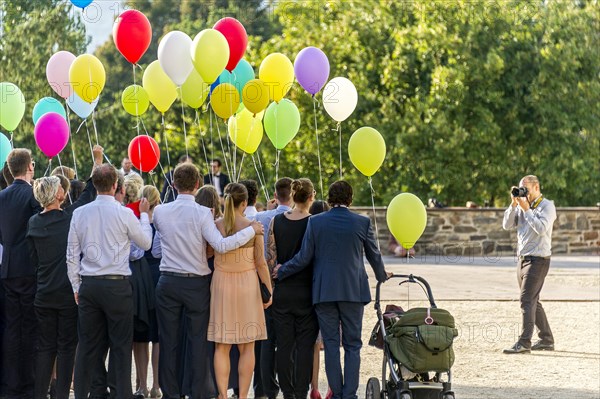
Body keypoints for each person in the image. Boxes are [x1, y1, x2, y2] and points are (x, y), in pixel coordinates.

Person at [151, 163, 264, 399]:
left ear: (173, 184)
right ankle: (199, 393)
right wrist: (251, 231)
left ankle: (171, 393)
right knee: (198, 342)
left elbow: (156, 251)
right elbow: (221, 245)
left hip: (168, 282)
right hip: (196, 284)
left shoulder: (160, 212)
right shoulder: (203, 213)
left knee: (168, 341)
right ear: (197, 184)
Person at [273, 181, 390, 399]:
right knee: (353, 345)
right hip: (353, 292)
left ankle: (336, 394)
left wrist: (282, 270)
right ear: (350, 198)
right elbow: (374, 256)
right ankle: (349, 394)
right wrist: (383, 275)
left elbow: (304, 257)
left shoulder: (316, 222)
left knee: (332, 345)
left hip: (324, 291)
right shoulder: (362, 222)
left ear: (328, 198)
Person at [67, 164, 153, 399]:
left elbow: (72, 254)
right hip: (117, 285)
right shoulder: (124, 213)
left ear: (94, 185)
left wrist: (76, 285)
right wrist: (144, 217)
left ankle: (91, 392)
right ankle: (120, 393)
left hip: (90, 284)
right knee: (120, 345)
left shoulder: (79, 213)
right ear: (116, 185)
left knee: (88, 345)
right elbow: (145, 243)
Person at [27, 146, 102, 399]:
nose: (64, 188)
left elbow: (33, 259)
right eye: (59, 187)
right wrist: (97, 162)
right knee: (66, 347)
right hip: (67, 295)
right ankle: (60, 395)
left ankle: (40, 394)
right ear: (56, 195)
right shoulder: (68, 218)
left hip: (43, 293)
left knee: (45, 347)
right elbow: (90, 192)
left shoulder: (34, 223)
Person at [209, 183, 273, 399]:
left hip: (221, 285)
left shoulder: (216, 226)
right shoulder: (253, 227)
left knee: (222, 345)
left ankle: (222, 394)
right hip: (247, 284)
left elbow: (209, 252)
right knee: (248, 346)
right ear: (244, 203)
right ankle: (243, 395)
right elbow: (261, 263)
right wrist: (269, 290)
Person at [266, 178, 319, 399]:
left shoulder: (276, 221)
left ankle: (287, 392)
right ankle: (300, 391)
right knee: (305, 346)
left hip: (283, 292)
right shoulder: (316, 223)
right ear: (310, 198)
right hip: (307, 292)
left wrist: (275, 275)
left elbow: (271, 258)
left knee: (284, 346)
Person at [0, 148, 42, 398]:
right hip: (29, 268)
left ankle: (9, 384)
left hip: (7, 270)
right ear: (29, 168)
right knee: (29, 329)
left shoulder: (1, 196)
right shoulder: (32, 196)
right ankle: (27, 385)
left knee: (11, 329)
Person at [502, 175, 556, 354]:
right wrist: (514, 204)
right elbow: (506, 225)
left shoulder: (547, 206)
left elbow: (541, 229)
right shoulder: (521, 206)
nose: (523, 192)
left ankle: (525, 342)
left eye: (525, 189)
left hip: (538, 260)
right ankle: (546, 339)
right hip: (522, 259)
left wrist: (527, 210)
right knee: (533, 300)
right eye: (520, 189)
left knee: (526, 299)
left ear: (536, 187)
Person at [254, 177, 293, 399]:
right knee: (288, 340)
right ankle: (290, 386)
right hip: (289, 284)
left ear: (275, 197)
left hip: (265, 286)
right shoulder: (301, 219)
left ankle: (265, 388)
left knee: (266, 341)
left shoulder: (261, 217)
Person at [306, 200, 331, 399]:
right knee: (331, 342)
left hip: (311, 292)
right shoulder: (330, 232)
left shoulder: (310, 230)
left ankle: (314, 388)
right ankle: (332, 386)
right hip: (330, 292)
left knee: (315, 344)